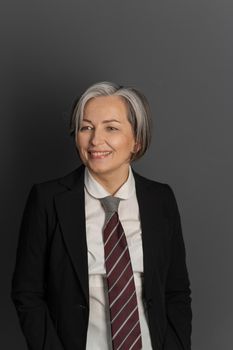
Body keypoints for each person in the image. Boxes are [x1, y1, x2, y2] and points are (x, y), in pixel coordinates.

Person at [11, 81, 192, 350]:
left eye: (111, 128)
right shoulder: (47, 200)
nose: (96, 140)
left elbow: (176, 291)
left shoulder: (160, 199)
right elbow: (28, 294)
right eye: (86, 127)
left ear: (137, 140)